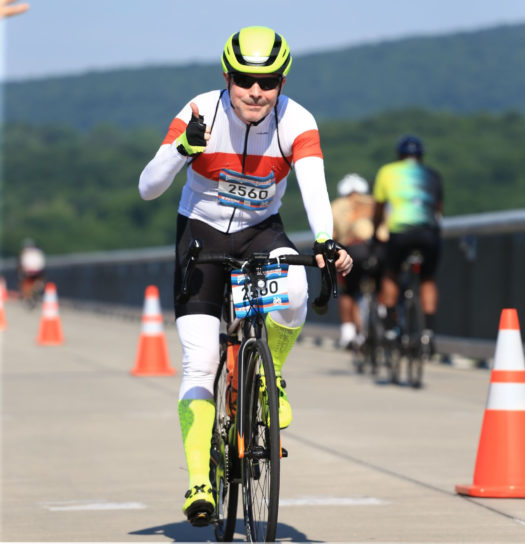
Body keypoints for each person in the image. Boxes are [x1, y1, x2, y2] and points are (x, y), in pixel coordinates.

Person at [138, 26, 352, 525]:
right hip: (202, 231)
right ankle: (197, 481)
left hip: (261, 232)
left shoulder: (296, 121)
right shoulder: (200, 112)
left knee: (296, 286)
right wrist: (181, 150)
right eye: (244, 79)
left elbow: (315, 186)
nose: (256, 91)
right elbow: (149, 186)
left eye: (268, 81)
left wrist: (325, 241)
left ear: (281, 82)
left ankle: (270, 374)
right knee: (200, 357)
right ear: (227, 76)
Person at [372, 134, 443, 352]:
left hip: (400, 233)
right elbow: (438, 209)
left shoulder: (387, 171)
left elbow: (379, 208)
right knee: (427, 278)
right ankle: (428, 332)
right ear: (420, 156)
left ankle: (393, 329)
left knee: (391, 273)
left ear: (399, 155)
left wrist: (376, 233)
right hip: (428, 233)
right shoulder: (432, 174)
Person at [331, 173, 387, 349]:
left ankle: (348, 334)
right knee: (385, 282)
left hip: (355, 249)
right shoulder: (373, 202)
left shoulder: (337, 206)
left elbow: (332, 237)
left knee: (348, 290)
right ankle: (383, 315)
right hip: (379, 249)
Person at [17, 238, 46, 302]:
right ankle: (38, 286)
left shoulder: (24, 253)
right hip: (38, 271)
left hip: (28, 271)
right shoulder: (38, 252)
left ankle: (27, 293)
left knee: (22, 280)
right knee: (40, 279)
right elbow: (42, 263)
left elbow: (22, 263)